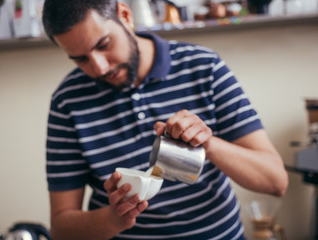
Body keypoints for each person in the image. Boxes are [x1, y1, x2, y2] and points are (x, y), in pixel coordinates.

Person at [42, 1, 288, 239]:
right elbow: (62, 229)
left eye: (104, 44)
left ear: (125, 15)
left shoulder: (204, 68)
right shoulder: (67, 101)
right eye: (80, 59)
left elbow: (275, 181)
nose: (100, 68)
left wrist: (208, 143)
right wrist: (113, 220)